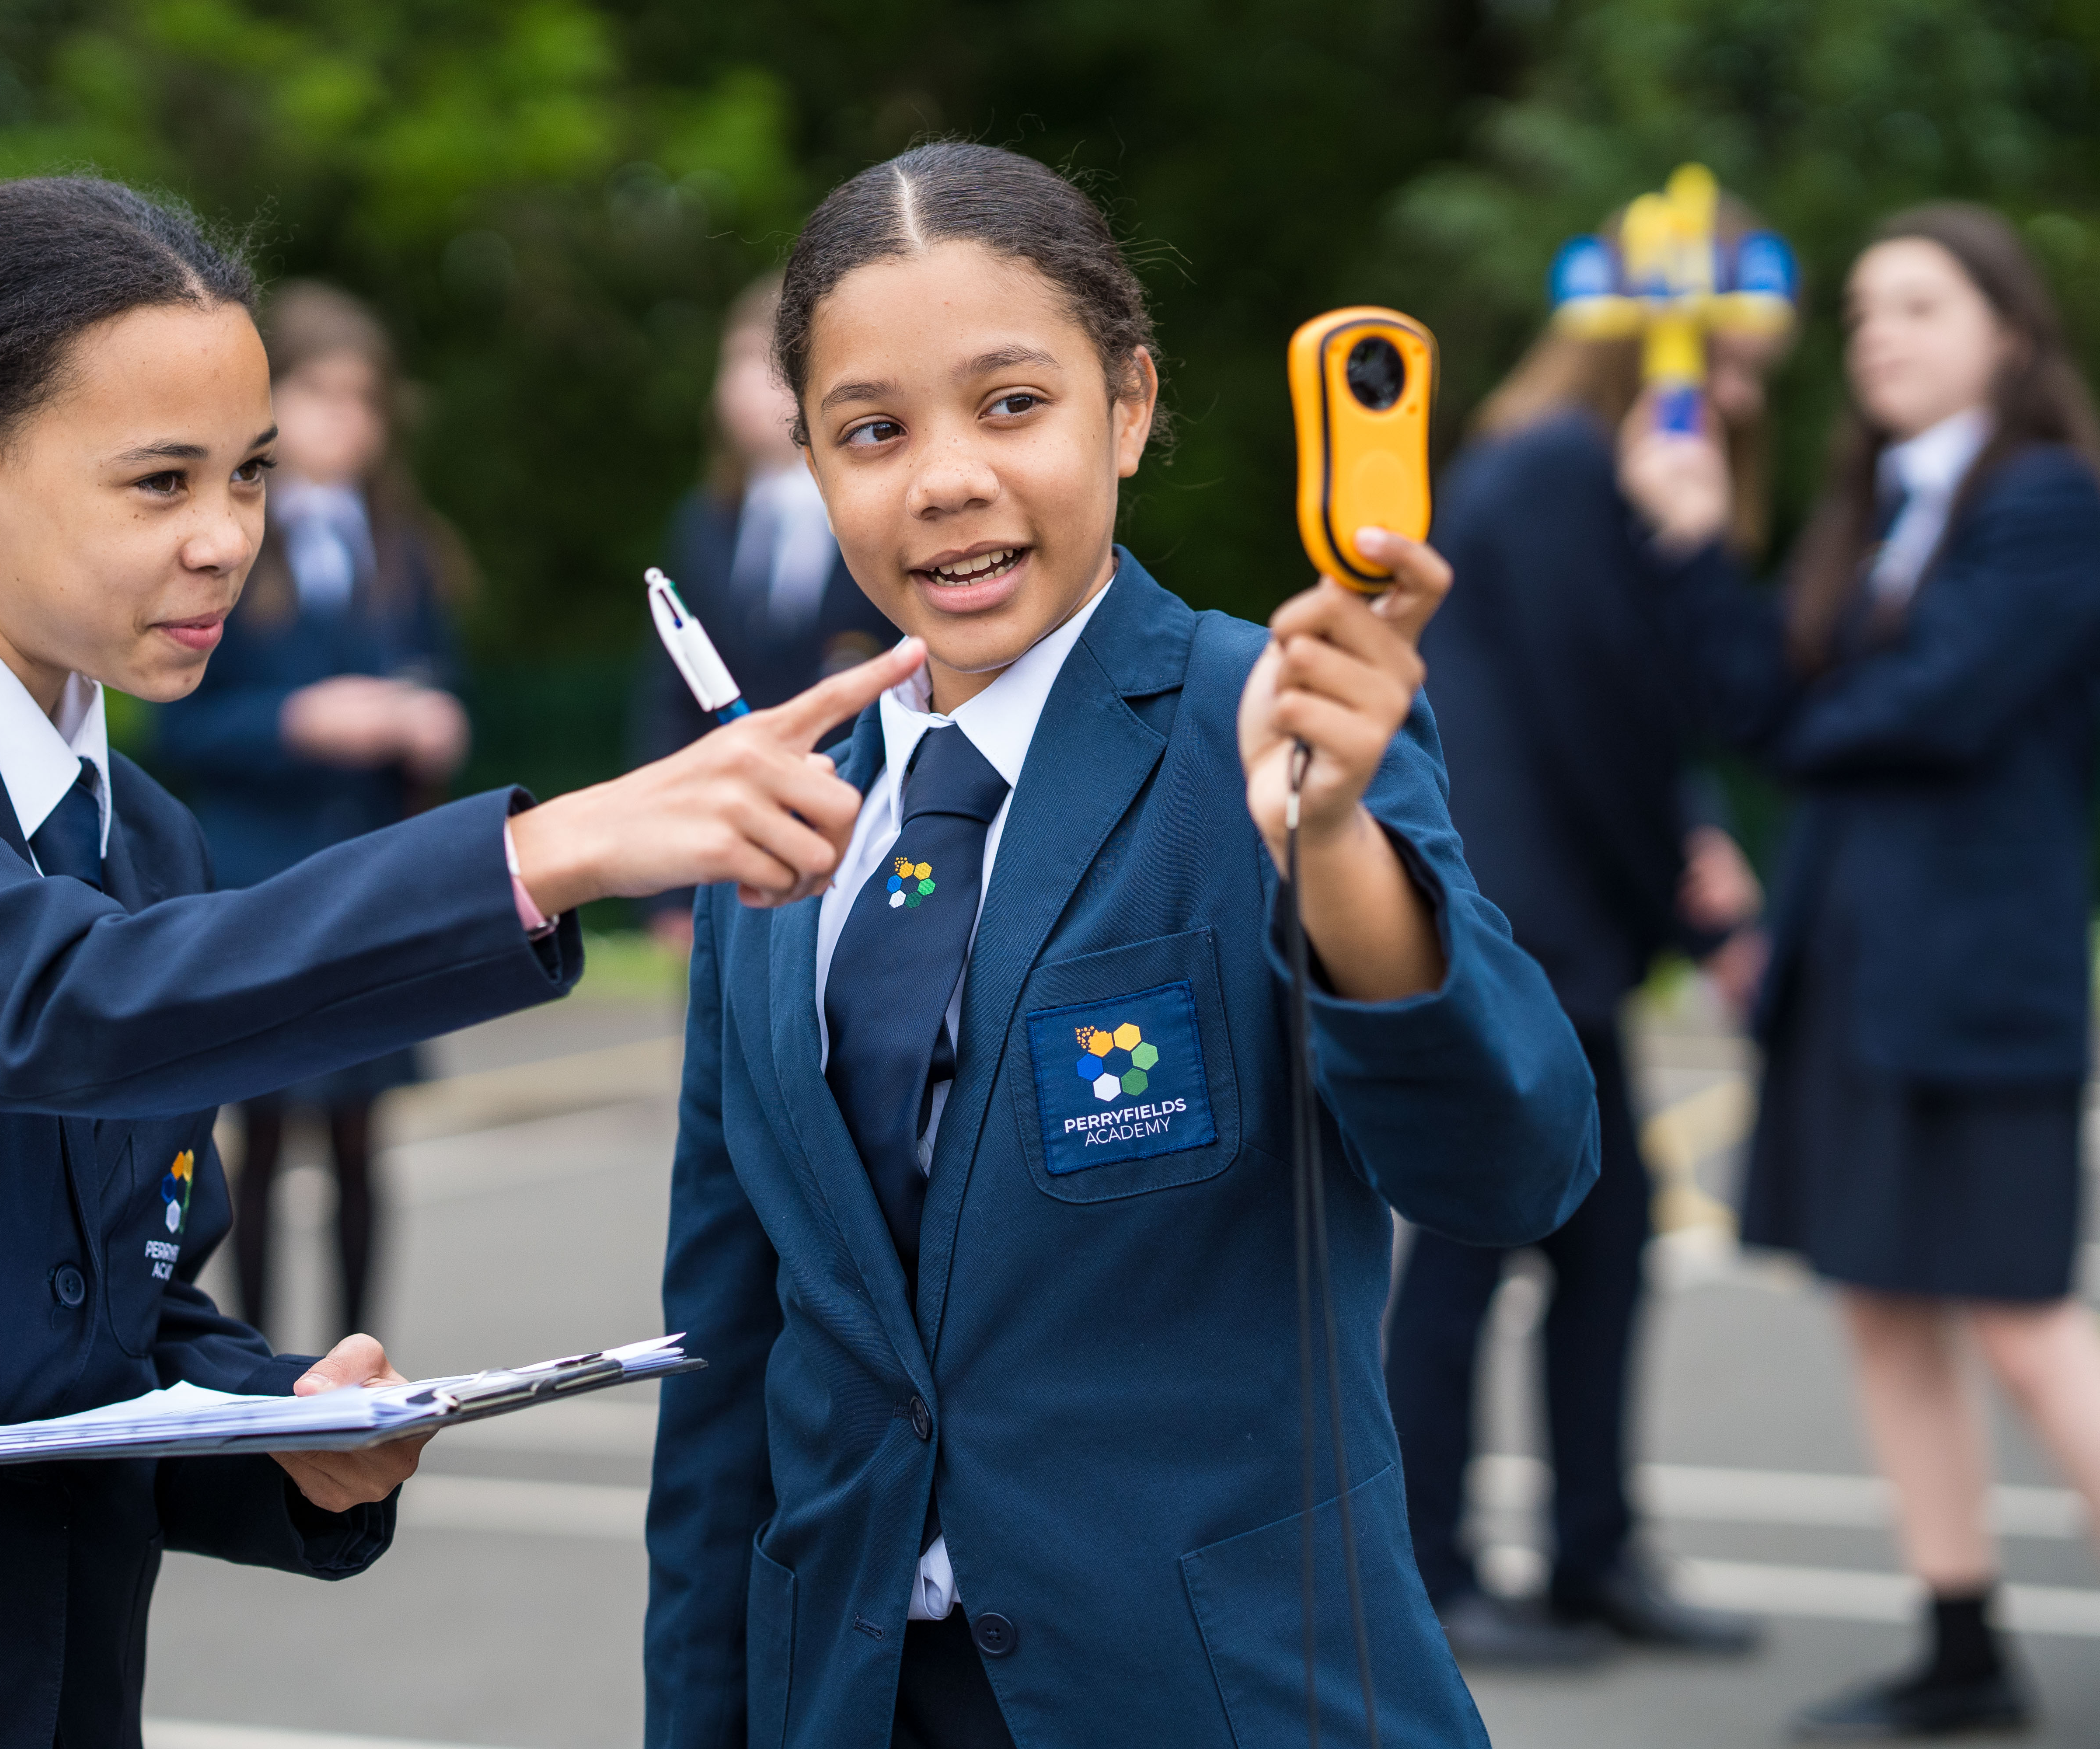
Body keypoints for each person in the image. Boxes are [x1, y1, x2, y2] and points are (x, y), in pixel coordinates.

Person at [0, 175, 921, 1748]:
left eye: (249, 476)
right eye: (158, 482)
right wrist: (549, 851)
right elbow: (63, 1007)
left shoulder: (150, 838)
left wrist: (282, 1424)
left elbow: (108, 1306)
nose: (223, 541)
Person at [642, 142, 1598, 1749]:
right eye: (871, 432)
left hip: (1222, 1702)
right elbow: (728, 1369)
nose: (944, 478)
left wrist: (1338, 845)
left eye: (1012, 404)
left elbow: (1513, 1169)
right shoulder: (780, 822)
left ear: (1132, 407)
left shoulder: (1267, 721)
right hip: (853, 1700)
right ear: (809, 462)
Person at [1620, 203, 2100, 1740]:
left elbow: (1929, 713)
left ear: (2013, 338)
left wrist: (1796, 729)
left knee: (2025, 1323)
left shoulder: (2049, 504)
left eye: (1921, 306)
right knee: (1882, 1312)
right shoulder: (1875, 509)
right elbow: (1751, 696)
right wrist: (1695, 531)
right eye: (1865, 312)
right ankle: (1962, 1645)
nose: (1879, 334)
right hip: (1856, 975)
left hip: (1977, 981)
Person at [1385, 241, 1779, 1663]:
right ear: (1648, 356)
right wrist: (1702, 912)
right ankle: (1429, 1572)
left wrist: (1689, 843)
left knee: (1603, 1249)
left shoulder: (1571, 471)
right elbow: (1600, 713)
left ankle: (1590, 1553)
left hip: (1558, 925)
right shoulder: (1555, 469)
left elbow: (1639, 722)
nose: (1738, 393)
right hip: (1523, 923)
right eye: (1721, 360)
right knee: (1473, 1249)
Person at [151, 282, 471, 1338]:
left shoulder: (403, 546)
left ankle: (357, 1356)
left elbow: (440, 680)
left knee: (361, 1140)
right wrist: (302, 719)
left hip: (372, 867)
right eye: (320, 394)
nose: (346, 421)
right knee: (265, 1132)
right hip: (262, 870)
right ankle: (259, 1360)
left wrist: (427, 721)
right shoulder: (227, 545)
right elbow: (180, 728)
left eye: (363, 399)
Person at [632, 273, 899, 949]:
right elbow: (670, 698)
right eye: (736, 361)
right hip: (728, 850)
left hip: (862, 839)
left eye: (770, 364)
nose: (746, 386)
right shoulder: (703, 523)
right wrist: (666, 883)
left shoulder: (886, 512)